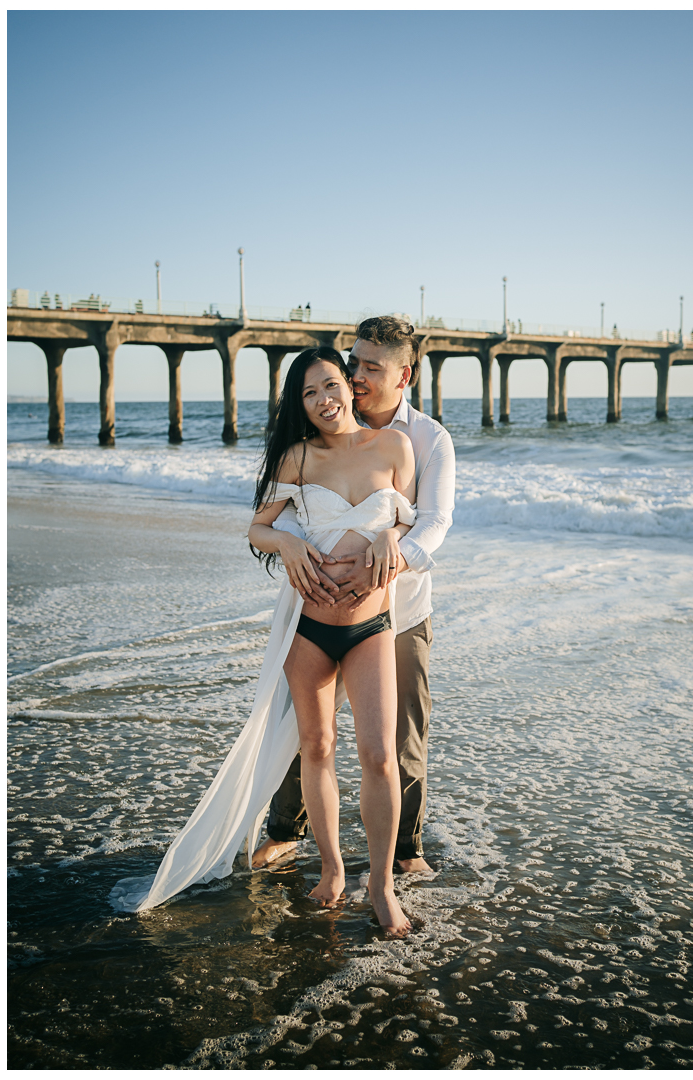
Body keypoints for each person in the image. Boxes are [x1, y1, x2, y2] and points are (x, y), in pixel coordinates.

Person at [110, 345, 418, 935]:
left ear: (350, 386)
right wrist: (291, 544)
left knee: (378, 755)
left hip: (371, 626)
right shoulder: (299, 456)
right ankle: (331, 870)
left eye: (331, 385)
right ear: (299, 405)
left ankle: (380, 885)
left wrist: (391, 540)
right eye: (309, 393)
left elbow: (412, 515)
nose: (324, 399)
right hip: (311, 630)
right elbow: (258, 525)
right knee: (317, 747)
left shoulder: (395, 448)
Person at [252, 315, 456, 875]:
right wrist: (293, 550)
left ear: (404, 374)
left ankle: (404, 851)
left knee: (401, 735)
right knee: (308, 730)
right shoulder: (324, 425)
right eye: (354, 362)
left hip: (402, 608)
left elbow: (433, 520)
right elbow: (294, 515)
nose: (356, 375)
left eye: (371, 366)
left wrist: (387, 559)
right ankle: (286, 831)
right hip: (321, 608)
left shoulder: (425, 439)